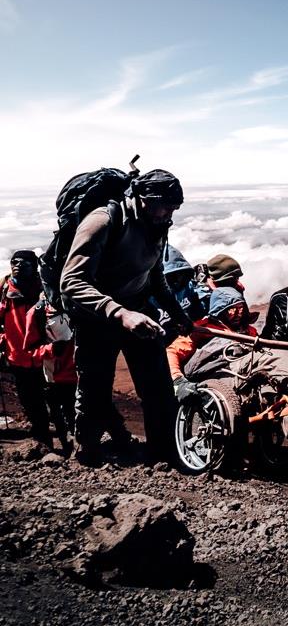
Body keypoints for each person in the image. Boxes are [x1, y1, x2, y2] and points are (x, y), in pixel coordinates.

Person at [60, 169, 193, 466]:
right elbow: (71, 282)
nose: (171, 213)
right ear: (144, 199)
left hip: (139, 313)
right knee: (94, 390)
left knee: (158, 389)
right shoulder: (103, 221)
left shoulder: (158, 223)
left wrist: (176, 311)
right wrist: (119, 312)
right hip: (97, 319)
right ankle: (87, 455)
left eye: (175, 208)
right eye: (166, 206)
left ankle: (166, 456)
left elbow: (154, 274)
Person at [167, 286, 259, 403]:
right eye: (232, 309)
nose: (238, 313)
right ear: (220, 310)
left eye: (240, 308)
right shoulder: (202, 328)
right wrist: (178, 381)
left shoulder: (250, 331)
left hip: (248, 371)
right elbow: (172, 351)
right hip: (215, 375)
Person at [0, 250, 53, 447]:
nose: (18, 265)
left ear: (34, 266)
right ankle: (42, 439)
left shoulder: (46, 289)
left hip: (46, 356)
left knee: (55, 400)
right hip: (18, 355)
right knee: (30, 399)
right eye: (15, 261)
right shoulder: (5, 288)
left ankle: (67, 439)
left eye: (24, 262)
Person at [24, 297, 77, 456]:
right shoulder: (37, 312)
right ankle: (71, 452)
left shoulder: (77, 302)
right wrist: (50, 349)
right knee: (63, 417)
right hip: (57, 377)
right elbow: (29, 349)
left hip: (82, 372)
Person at [156, 244, 206, 341]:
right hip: (165, 347)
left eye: (181, 274)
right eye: (172, 276)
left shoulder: (188, 286)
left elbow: (199, 312)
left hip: (188, 340)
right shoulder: (149, 298)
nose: (178, 280)